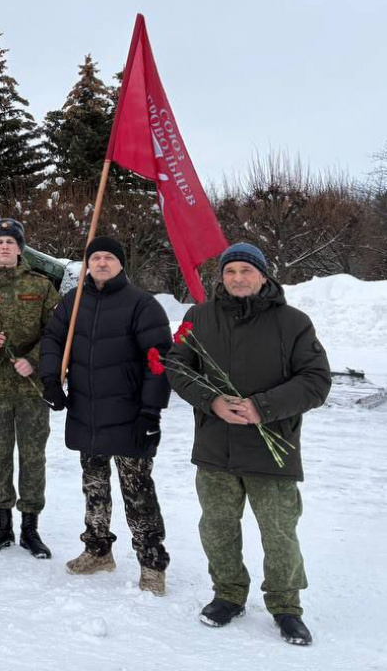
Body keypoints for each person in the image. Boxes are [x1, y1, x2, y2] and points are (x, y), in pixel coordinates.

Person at [166, 243, 330, 645]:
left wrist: (263, 407)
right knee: (217, 527)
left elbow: (316, 380)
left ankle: (286, 606)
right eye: (230, 271)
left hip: (272, 448)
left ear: (263, 275)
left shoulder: (294, 322)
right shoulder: (198, 317)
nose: (237, 278)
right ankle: (228, 594)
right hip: (215, 446)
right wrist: (212, 401)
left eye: (246, 270)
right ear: (221, 277)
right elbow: (177, 365)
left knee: (279, 533)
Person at [39, 236, 171, 595]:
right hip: (87, 412)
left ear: (120, 263)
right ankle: (98, 550)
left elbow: (159, 362)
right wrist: (50, 379)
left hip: (130, 416)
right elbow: (53, 340)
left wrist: (151, 412)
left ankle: (152, 563)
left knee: (138, 492)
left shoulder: (142, 304)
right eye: (94, 257)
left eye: (108, 258)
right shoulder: (73, 302)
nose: (100, 263)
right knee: (94, 486)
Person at [0, 218, 60, 558]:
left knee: (33, 457)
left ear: (20, 248)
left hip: (31, 387)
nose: (4, 247)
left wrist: (33, 359)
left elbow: (56, 332)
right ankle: (2, 525)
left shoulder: (41, 286)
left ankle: (30, 528)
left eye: (10, 242)